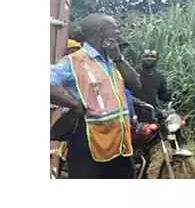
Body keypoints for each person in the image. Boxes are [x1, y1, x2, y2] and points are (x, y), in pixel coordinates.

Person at [49, 13, 142, 179]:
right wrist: (75, 104)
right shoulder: (74, 61)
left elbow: (136, 84)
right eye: (114, 28)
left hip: (120, 143)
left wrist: (119, 58)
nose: (118, 32)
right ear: (100, 31)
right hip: (88, 143)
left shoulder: (114, 60)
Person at [132, 49, 170, 122]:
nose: (149, 59)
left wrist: (175, 95)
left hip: (152, 113)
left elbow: (163, 96)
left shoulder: (159, 76)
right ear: (141, 58)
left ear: (157, 59)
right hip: (134, 113)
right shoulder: (133, 73)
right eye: (146, 56)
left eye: (152, 56)